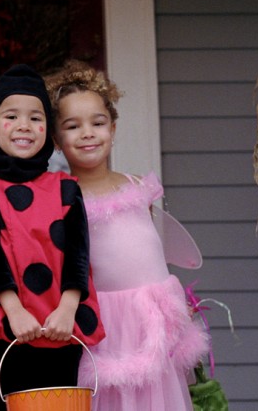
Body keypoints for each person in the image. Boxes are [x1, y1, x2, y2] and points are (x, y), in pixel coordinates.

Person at [47, 60, 209, 410]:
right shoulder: (62, 198)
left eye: (98, 123)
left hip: (153, 319)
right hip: (106, 325)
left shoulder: (137, 187)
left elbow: (153, 252)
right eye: (73, 126)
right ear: (57, 140)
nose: (87, 133)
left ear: (114, 129)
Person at [0, 64, 105, 411]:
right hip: (12, 326)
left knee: (62, 403)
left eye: (36, 118)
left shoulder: (65, 188)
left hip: (61, 326)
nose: (24, 126)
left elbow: (79, 254)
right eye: (11, 116)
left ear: (48, 129)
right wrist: (15, 311)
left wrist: (68, 309)